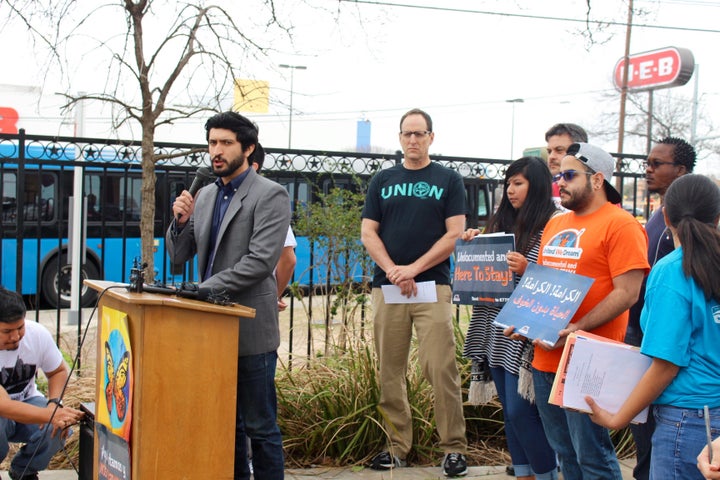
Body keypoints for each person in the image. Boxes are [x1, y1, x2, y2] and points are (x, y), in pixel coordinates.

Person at [507, 143, 649, 480]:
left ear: (598, 179)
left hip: (589, 361)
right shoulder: (557, 224)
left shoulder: (622, 225)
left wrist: (578, 326)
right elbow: (540, 283)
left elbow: (628, 293)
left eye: (569, 175)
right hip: (545, 358)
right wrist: (521, 318)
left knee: (593, 457)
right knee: (565, 455)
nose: (561, 183)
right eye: (558, 177)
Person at [166, 111, 291, 480]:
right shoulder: (203, 195)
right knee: (225, 426)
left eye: (225, 143)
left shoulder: (271, 195)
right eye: (211, 143)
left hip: (250, 329)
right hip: (210, 330)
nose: (215, 151)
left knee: (260, 427)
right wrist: (179, 223)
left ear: (248, 147)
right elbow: (177, 260)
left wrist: (199, 291)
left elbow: (258, 263)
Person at [586, 174, 720, 480]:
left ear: (666, 215)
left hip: (688, 421)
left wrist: (619, 418)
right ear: (717, 216)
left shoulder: (672, 271)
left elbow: (666, 365)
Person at [360, 108, 469, 477]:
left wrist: (413, 269)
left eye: (420, 134)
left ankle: (453, 448)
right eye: (407, 134)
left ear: (431, 138)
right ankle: (396, 446)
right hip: (387, 288)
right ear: (400, 137)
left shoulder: (449, 179)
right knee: (390, 371)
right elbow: (368, 233)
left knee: (440, 368)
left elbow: (454, 234)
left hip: (432, 286)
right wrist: (393, 269)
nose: (413, 140)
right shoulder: (382, 180)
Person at [462, 156, 558, 480]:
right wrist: (475, 245)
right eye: (508, 183)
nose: (510, 190)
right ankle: (524, 473)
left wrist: (527, 270)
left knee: (521, 411)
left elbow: (560, 282)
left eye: (518, 183)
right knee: (511, 413)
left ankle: (547, 473)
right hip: (495, 331)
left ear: (538, 186)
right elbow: (483, 274)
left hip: (526, 334)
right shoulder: (501, 224)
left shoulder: (552, 226)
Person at [625, 137, 696, 480]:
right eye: (647, 163)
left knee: (655, 451)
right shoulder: (658, 214)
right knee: (645, 448)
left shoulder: (685, 231)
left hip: (665, 348)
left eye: (657, 164)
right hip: (644, 335)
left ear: (680, 170)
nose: (648, 170)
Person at [0, 285, 84, 480]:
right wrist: (49, 415)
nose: (15, 336)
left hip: (28, 402)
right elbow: (3, 406)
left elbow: (58, 371)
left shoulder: (37, 333)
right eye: (6, 331)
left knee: (59, 427)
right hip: (3, 412)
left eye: (20, 327)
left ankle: (24, 470)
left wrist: (54, 404)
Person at [249, 142, 298, 311]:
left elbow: (288, 258)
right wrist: (273, 296)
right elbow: (288, 259)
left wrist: (271, 297)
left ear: (253, 167)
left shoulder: (269, 201)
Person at [544, 124, 588, 209]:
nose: (551, 157)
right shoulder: (544, 191)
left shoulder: (600, 195)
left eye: (559, 150)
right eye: (549, 151)